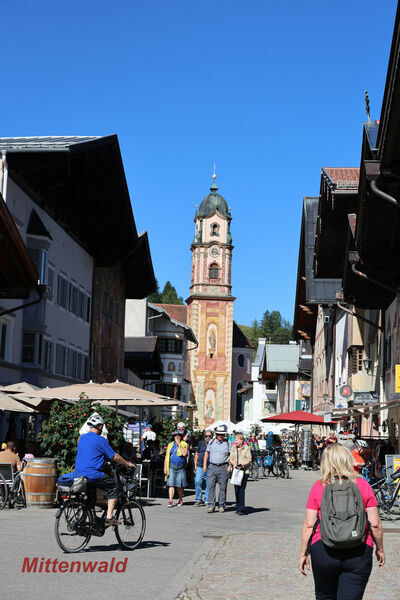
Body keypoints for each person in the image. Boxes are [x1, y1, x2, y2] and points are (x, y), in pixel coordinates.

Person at [299, 443, 385, 600]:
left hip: (324, 549)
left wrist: (303, 553)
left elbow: (309, 524)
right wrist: (380, 549)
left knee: (325, 596)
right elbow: (375, 524)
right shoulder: (362, 484)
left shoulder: (319, 485)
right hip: (359, 549)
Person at [74, 414, 135, 526]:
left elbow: (91, 454)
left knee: (91, 496)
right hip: (92, 474)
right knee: (114, 486)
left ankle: (83, 521)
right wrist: (126, 463)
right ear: (100, 426)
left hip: (79, 473)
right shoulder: (100, 440)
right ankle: (109, 517)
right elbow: (114, 456)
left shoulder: (82, 438)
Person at [203, 424, 230, 513]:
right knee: (211, 486)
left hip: (223, 467)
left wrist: (230, 465)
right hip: (212, 467)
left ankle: (221, 505)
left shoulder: (227, 443)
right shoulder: (211, 442)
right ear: (216, 434)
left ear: (224, 435)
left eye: (222, 434)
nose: (220, 436)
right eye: (218, 434)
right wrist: (204, 465)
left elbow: (231, 455)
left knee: (223, 487)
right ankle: (211, 505)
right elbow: (207, 453)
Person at [229, 432, 251, 515]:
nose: (235, 441)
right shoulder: (234, 448)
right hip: (236, 471)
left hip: (244, 471)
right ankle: (238, 506)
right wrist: (233, 464)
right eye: (235, 440)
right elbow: (230, 458)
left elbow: (249, 459)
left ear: (241, 440)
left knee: (241, 489)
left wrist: (242, 464)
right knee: (236, 490)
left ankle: (241, 508)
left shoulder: (246, 448)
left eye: (237, 440)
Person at [164, 430, 188, 507]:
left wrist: (179, 445)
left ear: (181, 437)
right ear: (173, 437)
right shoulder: (170, 444)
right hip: (172, 466)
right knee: (171, 484)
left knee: (179, 485)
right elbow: (167, 456)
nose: (177, 437)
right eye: (175, 435)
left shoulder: (184, 444)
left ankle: (180, 499)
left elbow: (184, 454)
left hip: (181, 467)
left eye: (179, 435)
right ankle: (170, 501)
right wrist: (165, 467)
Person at [194, 431, 212, 506]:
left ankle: (207, 499)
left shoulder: (214, 444)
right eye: (206, 436)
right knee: (197, 481)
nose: (208, 438)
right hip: (200, 465)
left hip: (210, 466)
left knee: (209, 483)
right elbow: (196, 454)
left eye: (209, 436)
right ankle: (198, 499)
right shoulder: (201, 443)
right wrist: (195, 464)